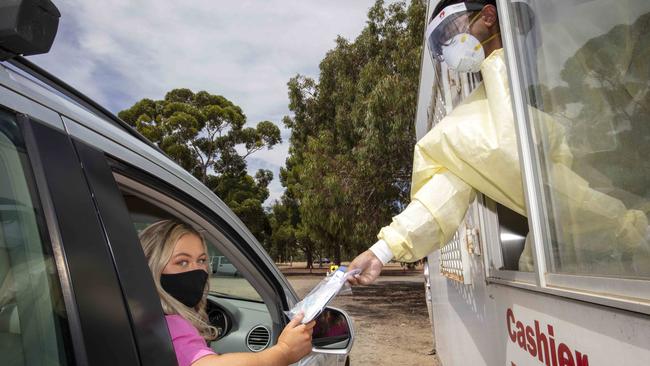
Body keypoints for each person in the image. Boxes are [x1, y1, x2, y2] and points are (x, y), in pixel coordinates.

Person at [348, 0, 649, 285]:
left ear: (489, 16)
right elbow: (447, 189)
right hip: (592, 250)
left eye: (452, 31)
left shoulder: (544, 70)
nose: (451, 45)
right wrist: (382, 251)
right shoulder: (484, 103)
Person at [139, 219, 315, 366]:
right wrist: (282, 352)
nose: (198, 270)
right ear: (152, 266)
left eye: (201, 260)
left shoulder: (141, 316)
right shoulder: (170, 324)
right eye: (182, 262)